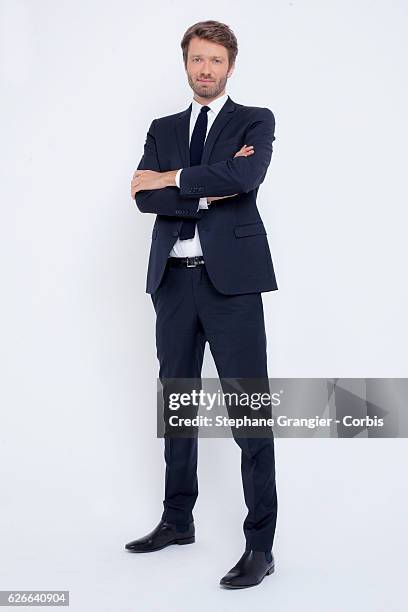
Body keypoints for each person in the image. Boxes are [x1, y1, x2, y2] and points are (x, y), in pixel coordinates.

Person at [126, 20, 279, 589]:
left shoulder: (254, 120)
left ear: (230, 66)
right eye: (197, 59)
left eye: (216, 60)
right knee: (179, 407)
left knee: (250, 415)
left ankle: (260, 545)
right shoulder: (162, 127)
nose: (206, 69)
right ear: (185, 64)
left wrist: (178, 181)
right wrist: (205, 186)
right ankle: (177, 520)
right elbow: (145, 196)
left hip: (233, 285)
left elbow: (247, 175)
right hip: (173, 282)